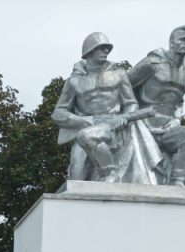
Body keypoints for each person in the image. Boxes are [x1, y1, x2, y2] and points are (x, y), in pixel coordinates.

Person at [52, 32, 140, 182]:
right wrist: (84, 121)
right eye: (101, 48)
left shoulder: (119, 75)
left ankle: (109, 173)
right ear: (89, 52)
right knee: (77, 176)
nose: (106, 51)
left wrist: (125, 118)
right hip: (85, 127)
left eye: (107, 48)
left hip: (114, 128)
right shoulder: (74, 81)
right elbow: (58, 112)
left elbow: (131, 103)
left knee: (88, 137)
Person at [127, 25, 185, 186]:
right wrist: (131, 113)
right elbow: (124, 86)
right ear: (171, 43)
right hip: (142, 123)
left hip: (168, 126)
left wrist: (177, 119)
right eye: (183, 39)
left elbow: (179, 100)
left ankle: (177, 181)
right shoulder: (152, 63)